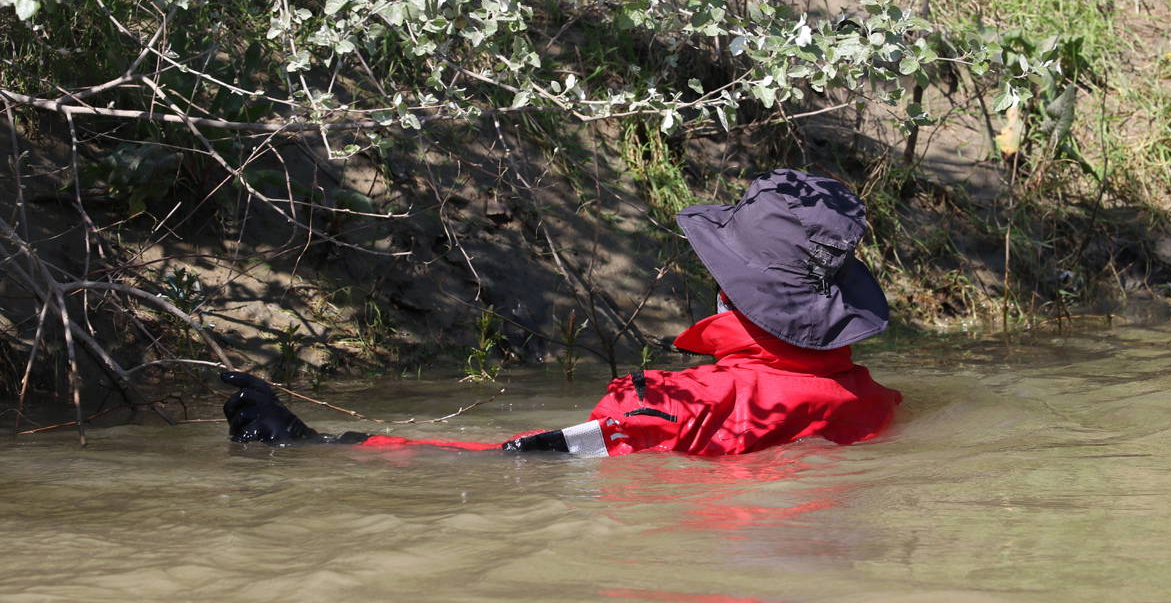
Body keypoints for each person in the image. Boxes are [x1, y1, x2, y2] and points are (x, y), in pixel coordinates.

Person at [222, 169, 902, 456]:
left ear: (734, 293)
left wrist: (312, 445)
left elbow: (512, 465)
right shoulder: (874, 402)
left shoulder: (668, 404)